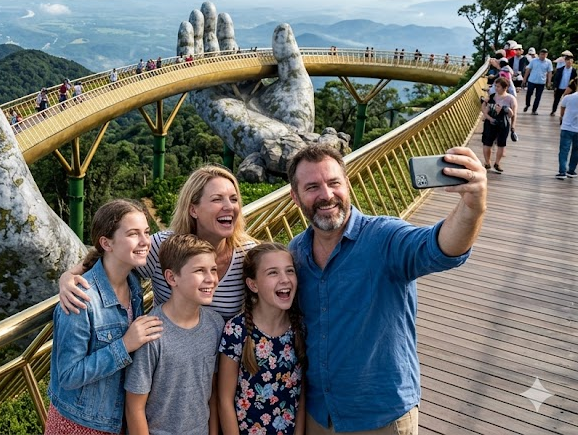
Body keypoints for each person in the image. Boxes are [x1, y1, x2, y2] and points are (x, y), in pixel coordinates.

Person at [285, 143, 485, 434]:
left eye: (333, 183)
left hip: (381, 417)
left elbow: (441, 247)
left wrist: (471, 208)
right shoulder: (296, 253)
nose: (326, 195)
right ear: (295, 197)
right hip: (319, 414)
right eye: (312, 187)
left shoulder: (384, 237)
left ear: (348, 184)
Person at [60, 165, 257, 320]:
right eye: (217, 200)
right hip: (165, 358)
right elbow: (109, 262)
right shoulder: (163, 247)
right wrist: (68, 277)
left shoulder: (247, 255)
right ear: (193, 210)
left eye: (233, 199)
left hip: (221, 366)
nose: (229, 207)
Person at [45, 200, 164, 435]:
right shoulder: (81, 299)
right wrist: (125, 345)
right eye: (133, 234)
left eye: (147, 232)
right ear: (106, 243)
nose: (144, 241)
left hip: (115, 418)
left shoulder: (134, 286)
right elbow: (68, 375)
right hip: (80, 424)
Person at [124, 233, 226, 435]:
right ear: (172, 277)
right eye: (199, 271)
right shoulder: (151, 332)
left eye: (213, 270)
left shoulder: (215, 324)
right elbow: (134, 407)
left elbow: (212, 393)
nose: (211, 279)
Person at [217, 243, 306, 435]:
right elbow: (224, 400)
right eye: (273, 273)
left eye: (289, 271)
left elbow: (301, 396)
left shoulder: (300, 328)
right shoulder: (236, 330)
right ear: (253, 284)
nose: (285, 279)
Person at [481, 77, 517, 174]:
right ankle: (487, 162)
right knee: (487, 143)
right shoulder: (492, 96)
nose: (496, 88)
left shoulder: (511, 98)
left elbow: (513, 114)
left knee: (501, 144)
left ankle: (497, 163)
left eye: (498, 87)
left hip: (503, 123)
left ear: (505, 88)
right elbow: (484, 107)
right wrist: (489, 118)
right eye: (495, 86)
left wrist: (513, 126)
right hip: (490, 122)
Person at [555, 79, 578, 180]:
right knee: (576, 151)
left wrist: (562, 117)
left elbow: (562, 110)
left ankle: (562, 172)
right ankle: (571, 170)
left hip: (567, 127)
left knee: (564, 150)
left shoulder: (568, 97)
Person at [523, 48, 553, 114]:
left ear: (547, 55)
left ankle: (534, 110)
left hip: (541, 82)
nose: (543, 56)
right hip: (532, 80)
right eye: (542, 54)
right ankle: (527, 105)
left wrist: (549, 82)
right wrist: (524, 79)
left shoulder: (548, 62)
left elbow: (549, 72)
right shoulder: (534, 61)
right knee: (529, 94)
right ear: (539, 54)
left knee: (538, 97)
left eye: (544, 55)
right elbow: (528, 70)